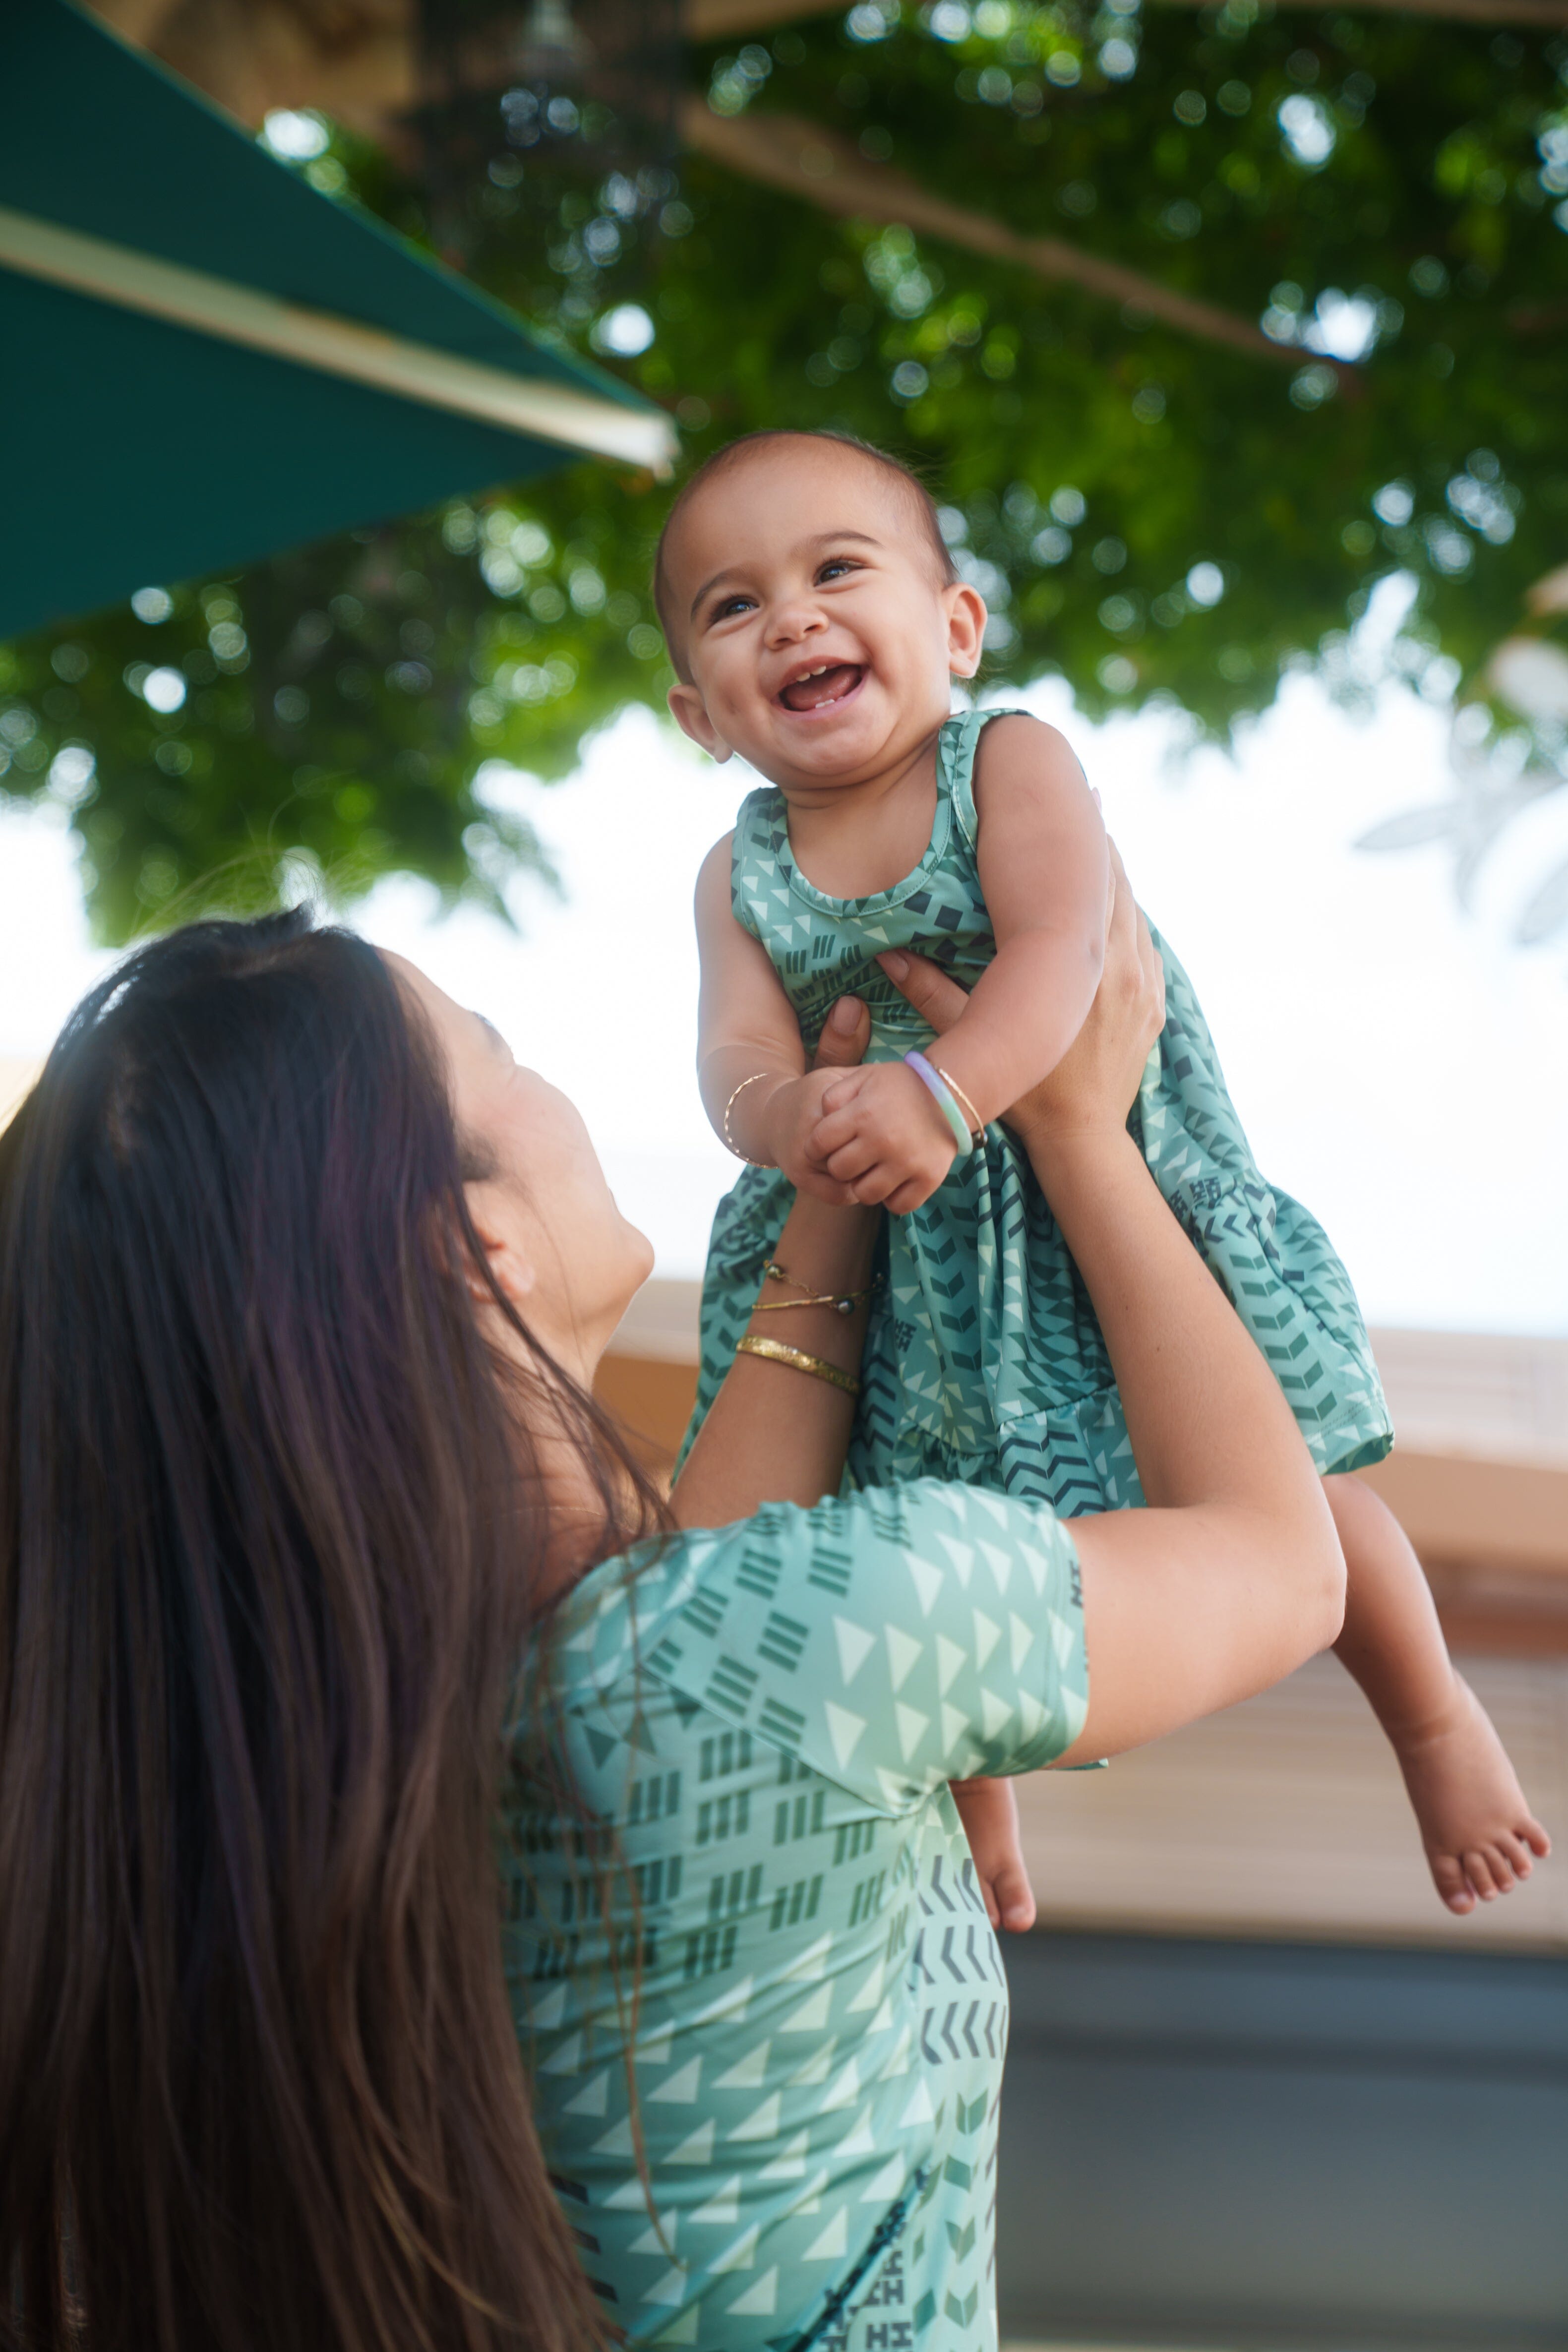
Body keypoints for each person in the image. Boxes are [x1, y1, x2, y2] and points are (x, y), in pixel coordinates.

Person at [2, 873, 1320, 2352]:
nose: (544, 1077)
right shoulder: (747, 1659)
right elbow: (1281, 1562)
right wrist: (1083, 1132)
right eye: (496, 1048)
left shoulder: (328, 1768)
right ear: (472, 1242)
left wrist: (833, 1204)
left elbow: (692, 1599)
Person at [656, 425, 1548, 1928]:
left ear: (954, 628)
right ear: (698, 710)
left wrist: (948, 1089)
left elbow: (1063, 948)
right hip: (897, 1226)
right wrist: (789, 1114)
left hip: (1076, 1163)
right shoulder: (735, 870)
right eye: (734, 607)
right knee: (908, 1502)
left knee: (1287, 1470)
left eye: (833, 571)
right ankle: (980, 1818)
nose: (792, 617)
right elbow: (729, 1056)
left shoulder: (1003, 757)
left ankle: (1428, 1715)